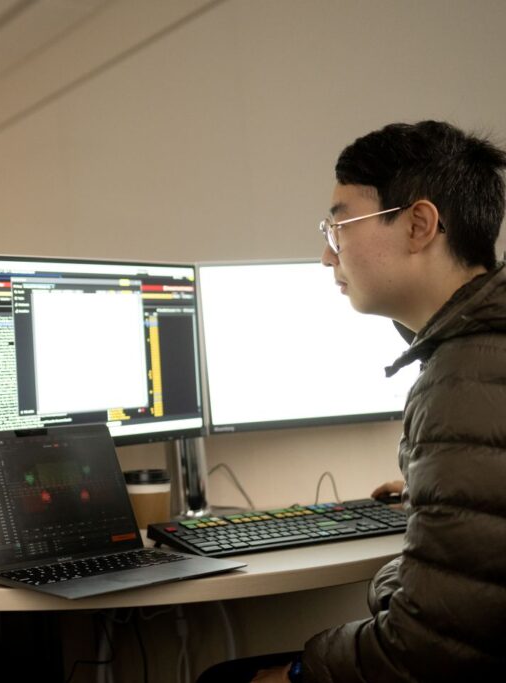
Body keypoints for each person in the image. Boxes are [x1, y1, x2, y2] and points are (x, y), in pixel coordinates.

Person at [203, 120, 506, 682]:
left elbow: (427, 650)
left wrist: (301, 672)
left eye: (338, 226)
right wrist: (433, 496)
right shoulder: (480, 353)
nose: (326, 255)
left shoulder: (464, 380)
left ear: (419, 224)